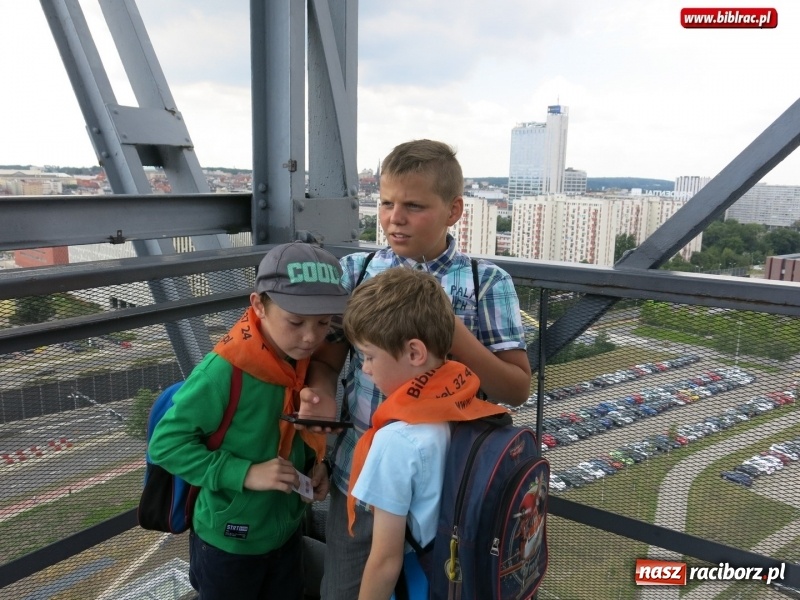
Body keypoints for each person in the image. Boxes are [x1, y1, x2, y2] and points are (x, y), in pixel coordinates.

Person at [300, 139, 532, 599]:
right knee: (347, 588)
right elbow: (329, 359)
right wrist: (322, 395)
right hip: (364, 476)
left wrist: (452, 331)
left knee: (443, 588)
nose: (394, 218)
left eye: (413, 205)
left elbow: (516, 387)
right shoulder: (356, 270)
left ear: (454, 210)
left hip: (448, 488)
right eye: (386, 202)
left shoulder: (485, 282)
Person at [148, 241, 348, 600]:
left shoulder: (296, 357)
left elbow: (286, 430)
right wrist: (245, 473)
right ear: (258, 305)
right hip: (229, 542)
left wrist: (316, 465)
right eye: (295, 321)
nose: (310, 337)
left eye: (323, 323)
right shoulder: (222, 372)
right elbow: (165, 445)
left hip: (284, 531)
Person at [342, 267, 510, 599]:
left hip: (424, 582)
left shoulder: (397, 441)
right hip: (468, 574)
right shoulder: (466, 405)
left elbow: (385, 561)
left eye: (370, 355)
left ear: (415, 353)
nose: (365, 367)